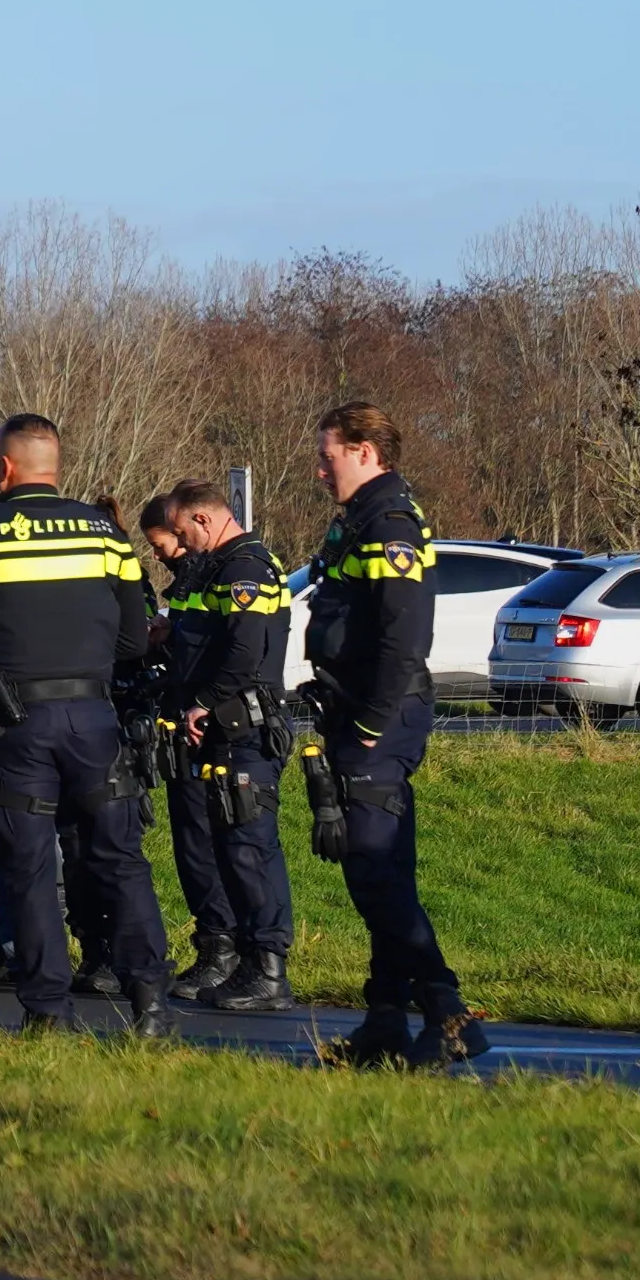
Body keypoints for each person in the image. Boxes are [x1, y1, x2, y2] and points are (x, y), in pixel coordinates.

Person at [0, 414, 170, 1034]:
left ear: (5, 468)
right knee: (120, 857)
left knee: (31, 869)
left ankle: (48, 1012)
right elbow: (133, 637)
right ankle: (150, 1003)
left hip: (16, 723)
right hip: (94, 718)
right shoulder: (106, 534)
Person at [300, 400, 484, 1067]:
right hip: (355, 710)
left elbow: (405, 638)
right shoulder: (359, 522)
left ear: (365, 452)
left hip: (381, 718)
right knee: (378, 874)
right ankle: (385, 1019)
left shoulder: (390, 524)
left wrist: (372, 726)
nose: (320, 471)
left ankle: (447, 1012)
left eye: (328, 457)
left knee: (376, 874)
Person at [163, 478, 297, 1010]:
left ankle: (268, 971)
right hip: (226, 732)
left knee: (251, 849)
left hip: (245, 730)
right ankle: (248, 961)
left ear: (202, 519)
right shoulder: (222, 567)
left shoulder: (245, 569)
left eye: (181, 532)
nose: (182, 545)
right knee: (232, 850)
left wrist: (205, 702)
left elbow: (246, 651)